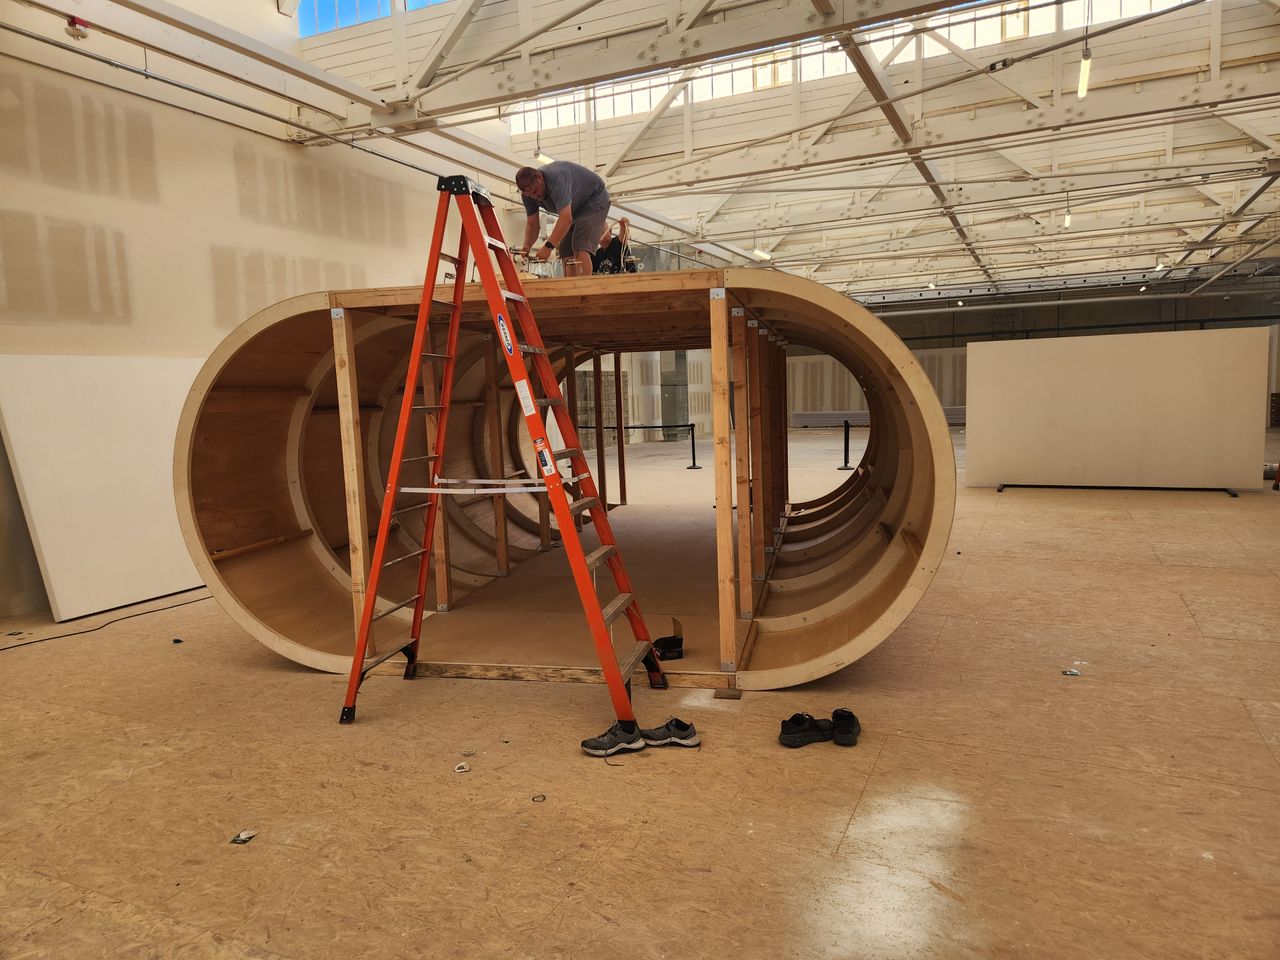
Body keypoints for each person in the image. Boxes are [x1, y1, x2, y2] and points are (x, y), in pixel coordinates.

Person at [515, 161, 610, 277]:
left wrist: (548, 246)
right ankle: (571, 289)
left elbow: (566, 218)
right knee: (565, 249)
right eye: (530, 195)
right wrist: (526, 246)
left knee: (580, 246)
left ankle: (585, 290)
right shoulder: (527, 196)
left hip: (594, 199)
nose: (535, 196)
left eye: (535, 191)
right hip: (575, 208)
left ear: (539, 176)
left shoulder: (557, 179)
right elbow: (532, 224)